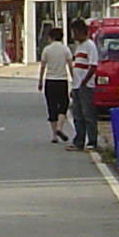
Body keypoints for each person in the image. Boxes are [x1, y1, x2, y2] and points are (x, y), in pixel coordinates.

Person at [37, 25, 75, 144]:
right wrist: (74, 79)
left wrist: (40, 81)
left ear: (50, 37)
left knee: (51, 107)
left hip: (50, 81)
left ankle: (54, 135)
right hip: (62, 80)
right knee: (63, 105)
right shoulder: (65, 49)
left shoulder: (47, 50)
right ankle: (60, 127)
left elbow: (43, 66)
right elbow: (70, 65)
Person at [67, 17, 99, 150]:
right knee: (77, 115)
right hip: (77, 85)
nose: (73, 36)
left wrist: (84, 82)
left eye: (75, 32)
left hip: (85, 86)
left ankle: (92, 141)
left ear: (80, 31)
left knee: (88, 115)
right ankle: (78, 141)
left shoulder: (90, 46)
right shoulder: (79, 47)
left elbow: (93, 66)